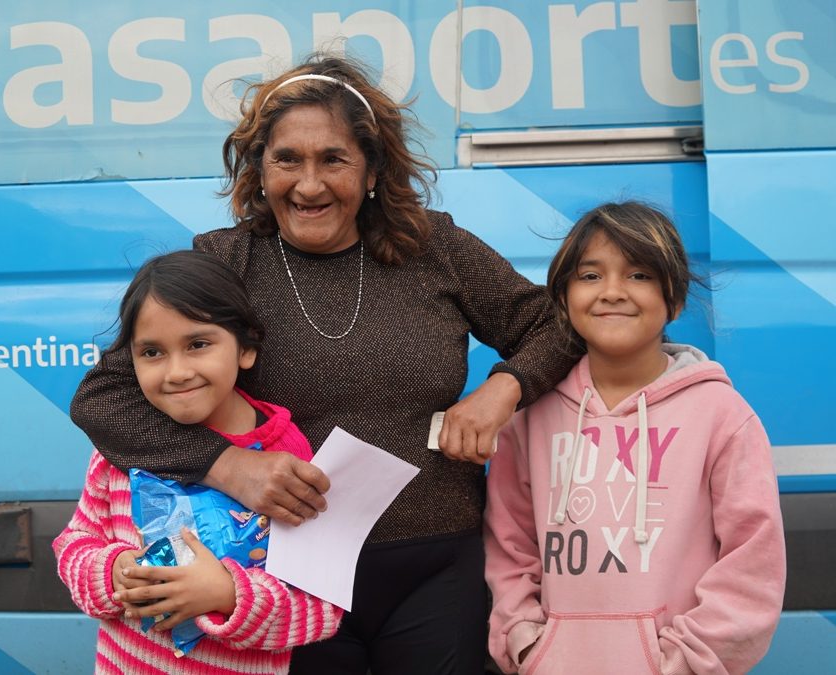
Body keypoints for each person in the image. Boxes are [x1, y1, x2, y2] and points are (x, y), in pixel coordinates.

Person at [70, 55, 577, 674]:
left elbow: (554, 323)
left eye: (332, 159)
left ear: (371, 169)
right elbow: (104, 397)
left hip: (436, 567)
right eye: (287, 160)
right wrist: (231, 467)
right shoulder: (226, 263)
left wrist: (505, 387)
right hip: (283, 578)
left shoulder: (434, 246)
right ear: (259, 170)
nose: (309, 186)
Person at [484, 202, 786, 674]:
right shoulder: (529, 416)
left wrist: (683, 662)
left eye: (639, 275)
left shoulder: (723, 415)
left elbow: (752, 562)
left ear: (676, 299)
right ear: (562, 297)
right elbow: (509, 543)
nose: (612, 292)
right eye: (589, 276)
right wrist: (526, 643)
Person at [53, 250, 342, 675]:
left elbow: (321, 611)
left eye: (198, 344)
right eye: (152, 352)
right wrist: (115, 571)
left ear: (246, 349)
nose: (177, 372)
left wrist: (227, 594)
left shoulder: (289, 463)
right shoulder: (125, 445)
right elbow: (73, 546)